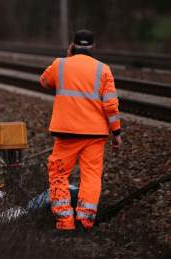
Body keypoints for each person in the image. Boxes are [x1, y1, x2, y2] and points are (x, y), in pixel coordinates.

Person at [39, 29, 121, 232]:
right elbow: (111, 105)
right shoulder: (103, 70)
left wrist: (67, 59)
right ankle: (84, 222)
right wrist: (116, 133)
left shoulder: (60, 65)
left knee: (58, 174)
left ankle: (65, 223)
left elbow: (44, 81)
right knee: (91, 177)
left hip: (66, 132)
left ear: (72, 45)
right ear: (94, 47)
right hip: (95, 134)